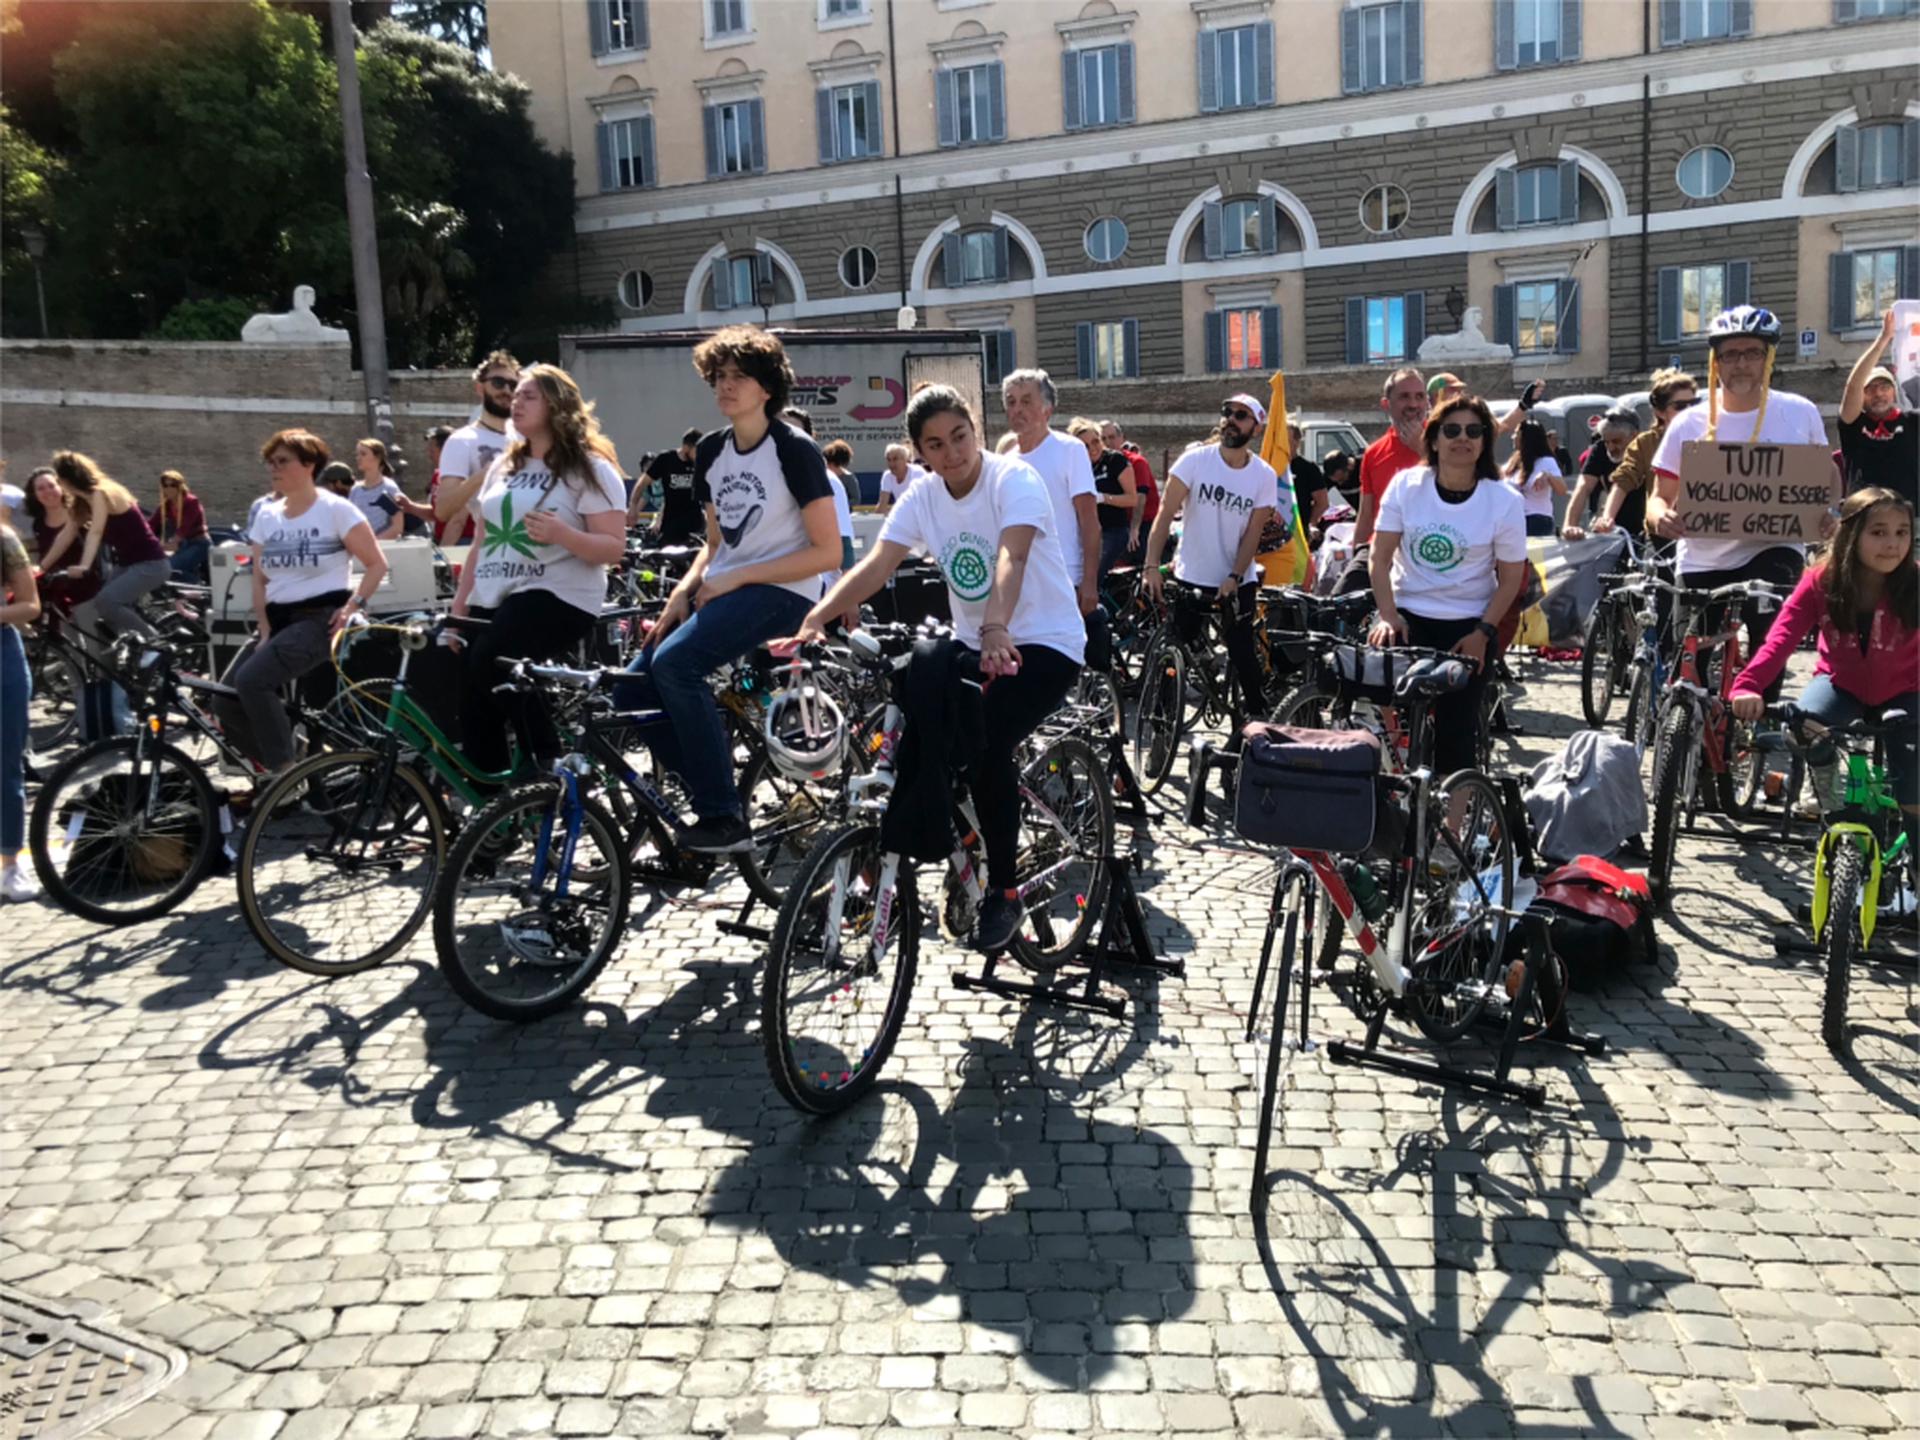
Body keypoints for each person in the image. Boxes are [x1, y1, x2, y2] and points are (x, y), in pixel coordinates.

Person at [789, 385, 1084, 952]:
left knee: (985, 745)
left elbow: (1012, 556)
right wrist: (814, 619)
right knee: (915, 752)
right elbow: (877, 565)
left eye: (960, 437)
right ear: (919, 452)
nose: (952, 454)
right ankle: (886, 873)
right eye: (936, 445)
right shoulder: (923, 496)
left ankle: (1004, 889)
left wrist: (996, 626)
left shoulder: (1012, 479)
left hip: (1045, 642)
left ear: (975, 430)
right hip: (976, 644)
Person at [615, 326, 841, 854]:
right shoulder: (713, 451)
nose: (725, 386)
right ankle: (706, 789)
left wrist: (736, 577)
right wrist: (683, 591)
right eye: (718, 377)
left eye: (738, 377)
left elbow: (828, 553)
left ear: (766, 388)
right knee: (629, 688)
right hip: (723, 587)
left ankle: (723, 817)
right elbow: (715, 546)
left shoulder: (794, 450)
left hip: (787, 591)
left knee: (676, 665)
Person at [1646, 305, 1831, 699]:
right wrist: (1661, 516)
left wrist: (1826, 516)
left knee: (1769, 646)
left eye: (1752, 353)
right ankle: (1692, 740)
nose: (1741, 364)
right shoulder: (1688, 422)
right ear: (1716, 361)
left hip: (1772, 548)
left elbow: (1820, 484)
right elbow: (1658, 497)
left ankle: (1757, 727)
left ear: (1769, 357)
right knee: (1688, 667)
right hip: (1702, 558)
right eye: (1730, 355)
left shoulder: (1800, 413)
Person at [456, 365, 628, 778]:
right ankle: (493, 812)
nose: (515, 401)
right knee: (471, 699)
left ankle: (547, 761)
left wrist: (564, 534)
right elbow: (482, 539)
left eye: (528, 396)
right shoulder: (503, 467)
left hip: (559, 593)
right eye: (514, 395)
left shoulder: (589, 468)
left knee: (493, 660)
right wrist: (461, 603)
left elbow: (613, 547)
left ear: (557, 406)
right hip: (494, 591)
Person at [1731, 488, 1916, 850]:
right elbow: (1779, 639)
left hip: (1909, 692)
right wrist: (1747, 686)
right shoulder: (1819, 582)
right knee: (1801, 726)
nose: (1893, 544)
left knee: (1914, 794)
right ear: (1850, 534)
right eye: (1878, 532)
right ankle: (1825, 783)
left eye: (1902, 532)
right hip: (1839, 684)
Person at [1366, 394, 1528, 781]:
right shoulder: (1407, 485)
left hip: (1470, 620)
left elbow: (1509, 579)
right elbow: (1380, 556)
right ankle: (1391, 773)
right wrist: (1388, 615)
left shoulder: (1503, 499)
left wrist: (1483, 633)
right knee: (1373, 687)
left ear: (1485, 441)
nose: (1462, 438)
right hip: (1408, 612)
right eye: (1451, 429)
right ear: (1434, 438)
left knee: (1457, 734)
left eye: (1474, 431)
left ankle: (1450, 832)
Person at [215, 430, 387, 775]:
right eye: (270, 462)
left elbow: (376, 564)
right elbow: (260, 580)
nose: (273, 469)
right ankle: (303, 758)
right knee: (224, 701)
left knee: (252, 681)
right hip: (278, 622)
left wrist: (352, 606)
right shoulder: (266, 515)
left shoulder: (336, 509)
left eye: (283, 461)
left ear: (309, 465)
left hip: (318, 619)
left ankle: (286, 773)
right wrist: (263, 629)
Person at [1142, 394, 1284, 722]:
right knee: (1172, 654)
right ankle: (1162, 729)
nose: (1231, 419)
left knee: (1242, 652)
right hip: (1191, 574)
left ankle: (1253, 727)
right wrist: (1151, 566)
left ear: (1256, 428)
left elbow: (1253, 532)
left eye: (1241, 415)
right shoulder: (1195, 461)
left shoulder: (1263, 475)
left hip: (1235, 577)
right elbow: (1164, 516)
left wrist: (1234, 576)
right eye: (1227, 412)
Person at [37, 452, 172, 655]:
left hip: (150, 564)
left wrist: (84, 566)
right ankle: (121, 662)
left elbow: (96, 531)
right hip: (127, 565)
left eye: (58, 480)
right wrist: (41, 568)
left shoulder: (101, 493)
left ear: (66, 479)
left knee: (107, 601)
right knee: (101, 613)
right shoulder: (82, 503)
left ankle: (155, 645)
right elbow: (65, 536)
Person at [1003, 369, 1100, 615]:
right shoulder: (1005, 461)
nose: (1017, 409)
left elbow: (1089, 520)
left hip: (1063, 578)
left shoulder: (1069, 450)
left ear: (1047, 409)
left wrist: (1089, 581)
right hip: (1019, 582)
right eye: (1011, 402)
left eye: (1026, 401)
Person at [1337, 368, 1428, 595]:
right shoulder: (1373, 452)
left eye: (1419, 396)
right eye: (1404, 396)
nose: (1413, 404)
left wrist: (1421, 448)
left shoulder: (1445, 442)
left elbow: (1459, 484)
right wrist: (1356, 554)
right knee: (1337, 604)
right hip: (1379, 549)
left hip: (1426, 552)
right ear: (1386, 404)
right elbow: (1366, 514)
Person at [434, 350, 521, 557]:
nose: (506, 390)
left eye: (513, 385)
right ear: (479, 387)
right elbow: (443, 509)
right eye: (498, 383)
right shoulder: (462, 441)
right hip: (497, 554)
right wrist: (485, 475)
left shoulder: (529, 438)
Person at [1595, 368, 1696, 543]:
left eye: (1694, 403)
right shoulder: (1646, 443)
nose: (1689, 410)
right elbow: (1623, 480)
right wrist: (1607, 518)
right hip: (1662, 536)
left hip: (1702, 535)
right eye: (1680, 406)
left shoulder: (1710, 437)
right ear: (1660, 412)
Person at [1838, 310, 1918, 509]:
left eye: (1885, 387)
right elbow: (1853, 386)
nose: (1878, 393)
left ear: (1894, 393)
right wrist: (1883, 340)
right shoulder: (1853, 425)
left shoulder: (1912, 422)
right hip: (1862, 516)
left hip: (1909, 520)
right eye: (1871, 388)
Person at [1, 513, 41, 903]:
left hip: (3, 659)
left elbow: (30, 605)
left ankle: (11, 864)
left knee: (6, 768)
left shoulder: (4, 538)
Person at [20, 467, 100, 618]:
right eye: (41, 488)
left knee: (93, 638)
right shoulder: (39, 523)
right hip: (57, 594)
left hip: (88, 590)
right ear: (35, 495)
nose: (48, 492)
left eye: (52, 486)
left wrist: (41, 568)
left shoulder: (80, 516)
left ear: (62, 488)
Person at [1068, 416, 1136, 584]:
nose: (1092, 448)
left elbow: (1132, 499)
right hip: (1083, 530)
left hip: (1111, 530)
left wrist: (1104, 498)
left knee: (1091, 578)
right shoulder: (1075, 466)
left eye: (1095, 441)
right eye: (1084, 445)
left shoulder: (1114, 460)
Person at [1562, 410, 1638, 541]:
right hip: (1613, 527)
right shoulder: (1599, 450)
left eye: (1616, 441)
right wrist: (1570, 525)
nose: (1610, 447)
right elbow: (1583, 486)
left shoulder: (1647, 449)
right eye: (1606, 442)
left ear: (1634, 436)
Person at [632, 428, 706, 543]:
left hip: (694, 523)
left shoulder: (701, 463)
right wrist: (633, 507)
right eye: (697, 451)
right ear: (686, 448)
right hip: (671, 523)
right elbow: (642, 483)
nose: (700, 455)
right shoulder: (666, 460)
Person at [1099, 419, 1157, 561]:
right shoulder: (1098, 464)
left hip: (1143, 521)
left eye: (1111, 437)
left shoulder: (1137, 462)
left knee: (1138, 557)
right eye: (1102, 438)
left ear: (1121, 438)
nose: (1107, 442)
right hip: (1116, 523)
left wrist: (1134, 528)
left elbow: (1140, 498)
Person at [1504, 419, 1567, 538]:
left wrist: (1548, 475)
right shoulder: (1513, 462)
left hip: (1536, 519)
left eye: (1516, 433)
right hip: (1512, 520)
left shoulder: (1546, 461)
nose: (1513, 437)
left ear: (1526, 438)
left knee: (1533, 556)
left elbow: (1562, 490)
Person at [150, 470, 211, 582]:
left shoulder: (192, 502)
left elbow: (184, 527)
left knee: (171, 568)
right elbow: (151, 524)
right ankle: (190, 593)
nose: (169, 489)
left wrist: (173, 543)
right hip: (184, 544)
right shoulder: (166, 505)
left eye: (173, 485)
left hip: (199, 543)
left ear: (180, 486)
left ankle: (198, 593)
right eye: (165, 485)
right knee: (168, 569)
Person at [349, 438, 407, 541]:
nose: (358, 458)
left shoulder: (389, 488)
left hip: (383, 548)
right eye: (357, 454)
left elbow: (397, 527)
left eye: (363, 454)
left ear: (377, 457)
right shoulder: (355, 490)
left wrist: (372, 544)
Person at [1286, 424, 1331, 533]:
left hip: (1298, 533)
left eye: (1286, 440)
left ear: (1297, 443)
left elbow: (1322, 502)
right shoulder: (1266, 468)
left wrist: (1310, 524)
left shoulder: (1308, 469)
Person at [877, 443, 927, 512]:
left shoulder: (917, 473)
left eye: (895, 459)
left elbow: (920, 502)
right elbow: (882, 504)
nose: (891, 464)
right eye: (889, 460)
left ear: (905, 460)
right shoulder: (887, 476)